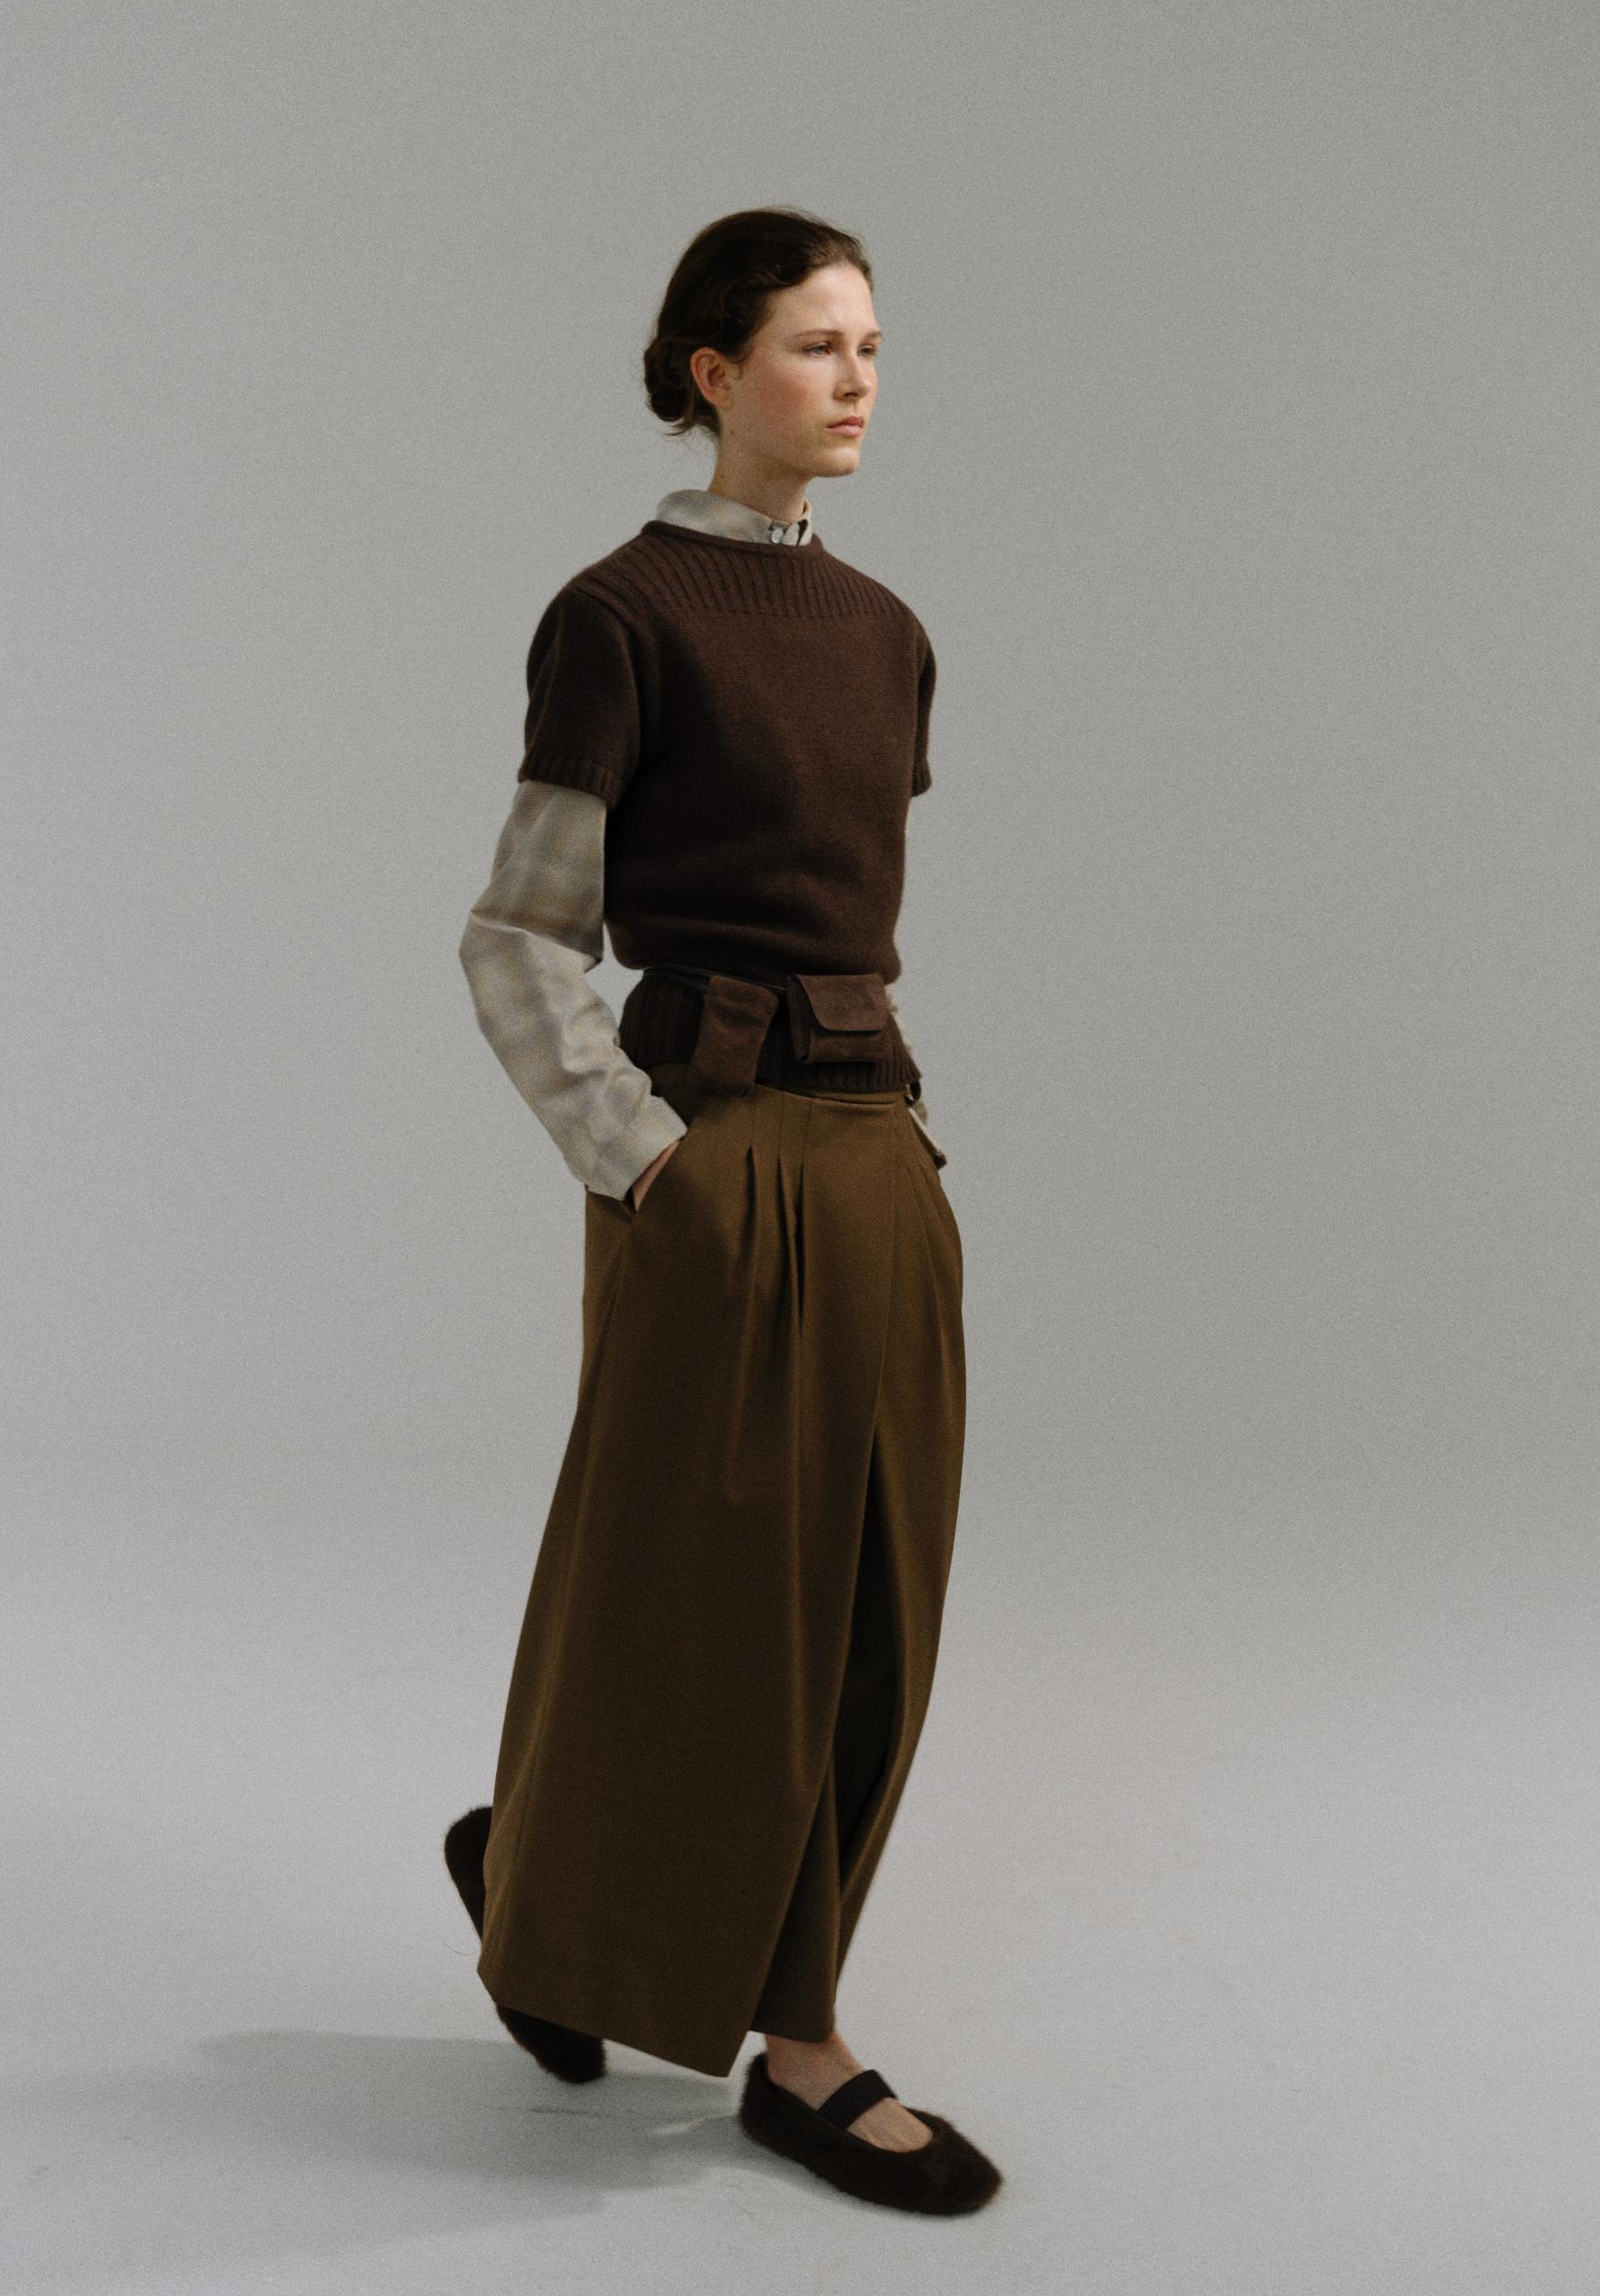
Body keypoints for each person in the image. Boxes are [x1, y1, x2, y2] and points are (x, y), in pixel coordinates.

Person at [445, 207, 999, 2214]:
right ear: (713, 371)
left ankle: (589, 1902)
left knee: (874, 1609)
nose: (857, 380)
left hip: (883, 1153)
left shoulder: (888, 631)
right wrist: (643, 1157)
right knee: (688, 1599)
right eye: (815, 344)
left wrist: (887, 1164)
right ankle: (769, 2026)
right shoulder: (620, 616)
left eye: (874, 347)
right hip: (716, 1151)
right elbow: (521, 932)